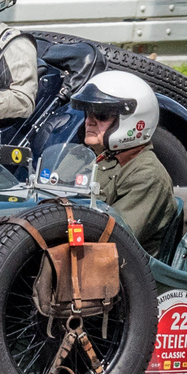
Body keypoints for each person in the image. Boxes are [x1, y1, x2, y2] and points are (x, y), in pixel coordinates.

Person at [69, 70, 177, 256]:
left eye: (102, 115)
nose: (89, 121)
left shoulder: (146, 175)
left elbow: (113, 238)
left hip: (117, 274)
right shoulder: (81, 158)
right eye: (88, 113)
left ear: (134, 121)